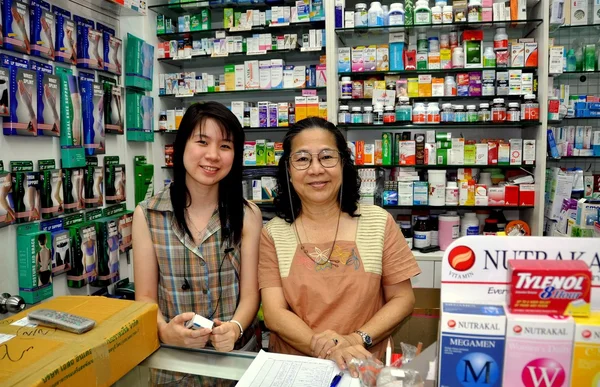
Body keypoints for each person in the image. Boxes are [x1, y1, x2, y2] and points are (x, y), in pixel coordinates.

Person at [259, 117, 421, 377]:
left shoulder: (378, 222)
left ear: (343, 164)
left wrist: (355, 340)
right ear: (288, 171)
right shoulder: (273, 233)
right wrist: (329, 349)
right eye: (302, 159)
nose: (316, 169)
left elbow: (402, 299)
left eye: (326, 157)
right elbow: (274, 314)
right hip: (297, 371)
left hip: (365, 368)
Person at [133, 102, 262, 386]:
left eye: (225, 146)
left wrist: (236, 327)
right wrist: (164, 331)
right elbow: (144, 298)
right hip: (173, 366)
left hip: (235, 365)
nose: (213, 155)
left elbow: (251, 293)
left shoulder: (248, 215)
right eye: (202, 142)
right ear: (181, 147)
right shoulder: (148, 214)